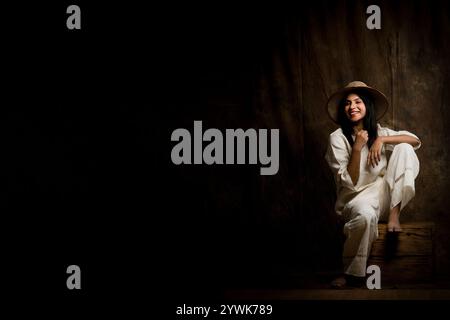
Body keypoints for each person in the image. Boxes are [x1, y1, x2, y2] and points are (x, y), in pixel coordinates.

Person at [324, 81, 421, 288]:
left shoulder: (379, 131)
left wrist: (382, 141)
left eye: (358, 102)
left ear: (367, 106)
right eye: (347, 103)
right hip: (357, 199)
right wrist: (358, 148)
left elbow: (414, 140)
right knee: (365, 216)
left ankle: (395, 216)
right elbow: (348, 183)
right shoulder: (337, 138)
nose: (352, 107)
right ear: (344, 110)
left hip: (385, 198)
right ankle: (352, 274)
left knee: (404, 148)